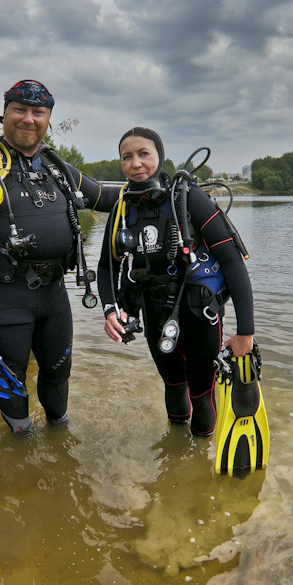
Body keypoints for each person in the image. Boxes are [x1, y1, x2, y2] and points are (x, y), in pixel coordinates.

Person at [0, 79, 120, 434]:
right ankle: (20, 441)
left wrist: (162, 190)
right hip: (3, 298)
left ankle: (59, 434)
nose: (29, 119)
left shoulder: (58, 169)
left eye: (39, 112)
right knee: (11, 379)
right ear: (5, 114)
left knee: (58, 371)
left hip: (54, 297)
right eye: (20, 110)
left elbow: (108, 198)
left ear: (48, 118)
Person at [97, 127, 255, 436]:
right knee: (172, 385)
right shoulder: (122, 208)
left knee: (201, 393)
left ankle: (200, 452)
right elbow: (106, 267)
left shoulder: (187, 198)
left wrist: (246, 332)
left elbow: (232, 262)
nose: (136, 163)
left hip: (200, 313)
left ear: (160, 156)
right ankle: (177, 458)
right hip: (154, 311)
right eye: (127, 157)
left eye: (144, 154)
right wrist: (109, 311)